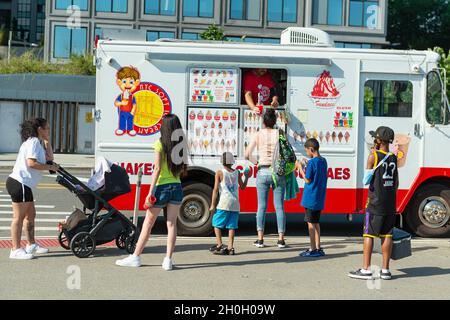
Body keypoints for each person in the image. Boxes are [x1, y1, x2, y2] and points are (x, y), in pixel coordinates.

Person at [116, 114, 188, 269]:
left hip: (162, 187)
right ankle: (168, 260)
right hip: (177, 187)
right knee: (171, 224)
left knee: (148, 224)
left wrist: (150, 192)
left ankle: (135, 257)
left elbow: (157, 168)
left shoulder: (159, 144)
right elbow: (182, 169)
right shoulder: (181, 145)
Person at [348, 126, 398, 280]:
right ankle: (385, 270)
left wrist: (372, 158)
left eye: (375, 138)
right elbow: (396, 182)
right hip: (390, 203)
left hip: (375, 201)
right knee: (387, 235)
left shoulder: (373, 157)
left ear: (379, 140)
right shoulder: (393, 157)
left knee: (368, 234)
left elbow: (366, 180)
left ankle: (366, 269)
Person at [6, 118, 59, 260]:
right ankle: (15, 249)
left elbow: (49, 158)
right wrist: (50, 167)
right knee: (18, 217)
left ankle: (31, 244)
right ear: (39, 129)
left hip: (24, 184)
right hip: (20, 183)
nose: (49, 130)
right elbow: (31, 163)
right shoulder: (34, 142)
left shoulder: (36, 142)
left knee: (31, 216)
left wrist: (47, 141)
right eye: (46, 128)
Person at [245, 108, 287, 248]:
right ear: (275, 121)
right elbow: (286, 152)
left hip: (263, 170)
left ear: (263, 121)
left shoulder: (258, 134)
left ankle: (260, 239)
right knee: (279, 207)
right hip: (277, 172)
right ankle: (281, 239)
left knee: (261, 206)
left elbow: (247, 154)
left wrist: (256, 163)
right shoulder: (280, 133)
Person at [209, 152, 250, 255]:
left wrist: (213, 205)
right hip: (235, 203)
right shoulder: (237, 172)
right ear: (232, 162)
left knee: (216, 224)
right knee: (231, 226)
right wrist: (247, 177)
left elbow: (215, 190)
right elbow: (243, 187)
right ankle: (231, 248)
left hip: (224, 202)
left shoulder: (219, 172)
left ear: (222, 162)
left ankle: (219, 245)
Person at [297, 138, 328, 257]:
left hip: (310, 198)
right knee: (316, 222)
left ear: (311, 149)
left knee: (310, 223)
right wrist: (306, 164)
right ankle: (318, 246)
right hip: (319, 197)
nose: (307, 154)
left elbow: (308, 180)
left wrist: (300, 167)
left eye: (307, 151)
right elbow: (316, 173)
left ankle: (312, 248)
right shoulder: (323, 160)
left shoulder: (311, 163)